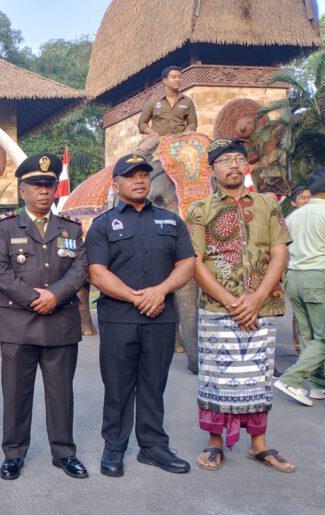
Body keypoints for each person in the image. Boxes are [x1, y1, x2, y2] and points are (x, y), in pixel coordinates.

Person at [186, 138, 294, 473]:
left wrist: (257, 298)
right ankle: (215, 443)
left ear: (246, 165)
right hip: (219, 309)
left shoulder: (268, 204)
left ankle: (259, 445)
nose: (233, 165)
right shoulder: (200, 209)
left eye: (238, 159)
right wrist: (233, 302)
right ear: (212, 169)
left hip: (263, 306)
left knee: (258, 377)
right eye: (224, 160)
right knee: (216, 377)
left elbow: (280, 252)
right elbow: (195, 261)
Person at [86, 153, 196, 477]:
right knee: (117, 385)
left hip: (160, 318)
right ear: (116, 183)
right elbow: (97, 273)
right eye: (131, 175)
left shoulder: (171, 221)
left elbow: (186, 263)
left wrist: (160, 291)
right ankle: (114, 447)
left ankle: (153, 447)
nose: (139, 180)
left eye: (144, 175)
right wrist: (137, 297)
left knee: (153, 383)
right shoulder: (103, 225)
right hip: (119, 319)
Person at [0, 153, 89, 481]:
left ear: (55, 190)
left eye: (48, 185)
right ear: (22, 190)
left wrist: (55, 295)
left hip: (60, 322)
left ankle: (64, 453)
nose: (44, 191)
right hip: (17, 323)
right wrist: (34, 298)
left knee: (61, 393)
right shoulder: (5, 227)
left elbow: (80, 268)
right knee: (16, 393)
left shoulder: (70, 228)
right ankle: (13, 454)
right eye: (36, 185)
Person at [273, 168, 325, 406]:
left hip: (294, 278)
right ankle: (291, 380)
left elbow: (282, 249)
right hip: (318, 277)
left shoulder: (294, 216)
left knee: (308, 336)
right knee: (322, 338)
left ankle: (317, 385)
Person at [137, 66, 197, 155]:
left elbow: (193, 123)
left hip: (180, 139)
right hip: (157, 138)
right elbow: (142, 123)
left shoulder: (187, 101)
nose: (177, 80)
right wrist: (152, 133)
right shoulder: (152, 101)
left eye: (179, 77)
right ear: (165, 80)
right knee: (139, 155)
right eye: (174, 77)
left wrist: (185, 134)